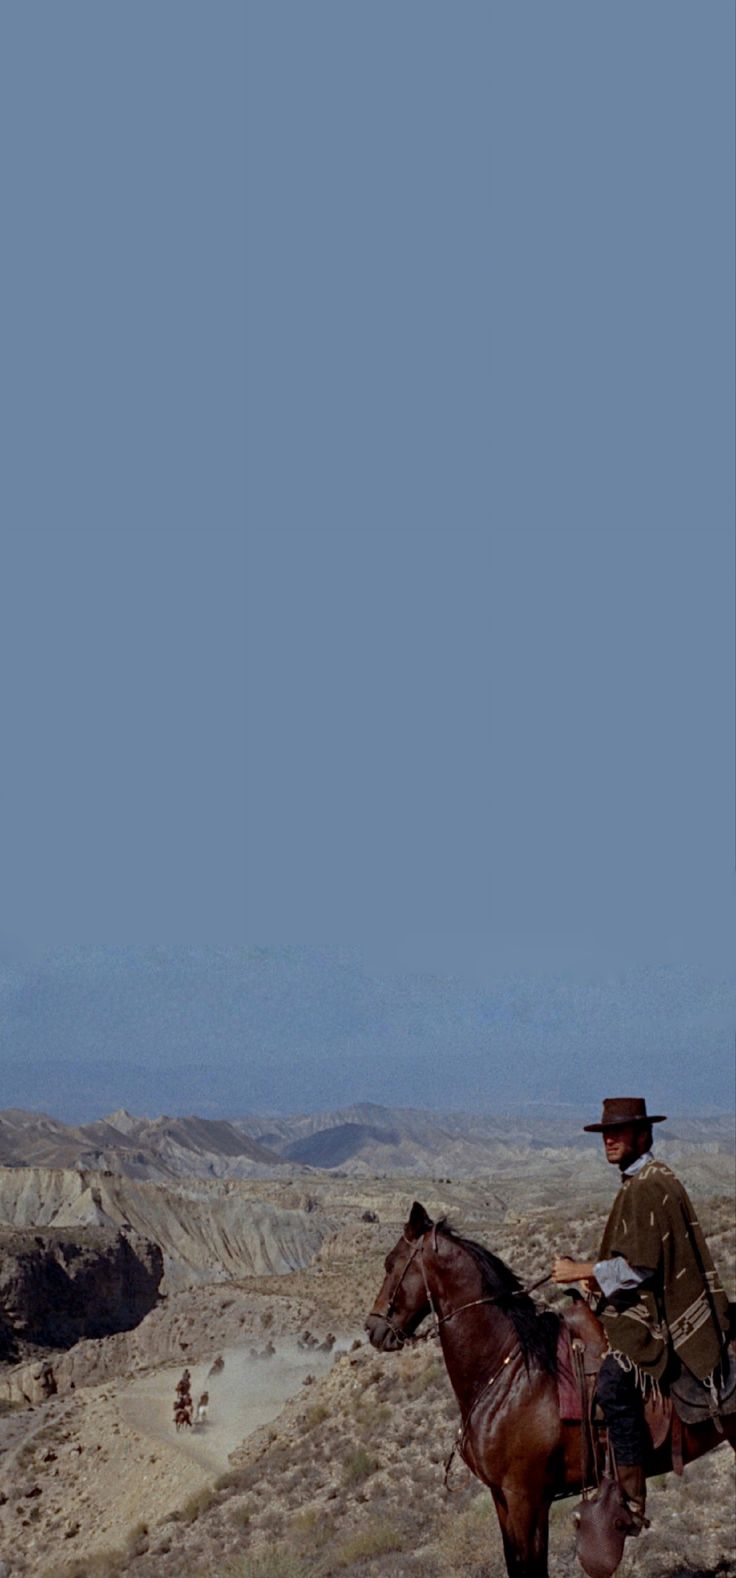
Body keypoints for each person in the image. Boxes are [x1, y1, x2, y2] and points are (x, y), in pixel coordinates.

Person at [551, 1096, 730, 1535]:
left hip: (655, 1313)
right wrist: (598, 1279)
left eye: (619, 1132)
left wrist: (583, 1270)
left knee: (613, 1379)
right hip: (638, 1300)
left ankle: (630, 1499)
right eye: (605, 1134)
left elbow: (643, 1267)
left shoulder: (650, 1185)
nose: (609, 1140)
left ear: (642, 1135)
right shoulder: (638, 1181)